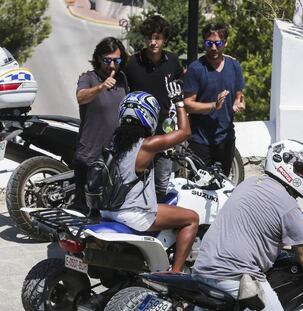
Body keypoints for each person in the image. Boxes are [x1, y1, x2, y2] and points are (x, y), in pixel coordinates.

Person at [192, 140, 303, 310]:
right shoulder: (288, 205)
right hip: (235, 276)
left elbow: (257, 228)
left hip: (202, 268)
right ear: (284, 166)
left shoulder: (249, 183)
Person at [100, 90, 199, 272]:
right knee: (192, 218)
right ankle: (176, 273)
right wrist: (179, 102)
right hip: (133, 214)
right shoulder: (147, 145)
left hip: (107, 211)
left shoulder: (113, 143)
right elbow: (185, 132)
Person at [124, 14, 183, 202]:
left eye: (157, 38)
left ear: (164, 39)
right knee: (135, 184)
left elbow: (180, 85)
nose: (153, 42)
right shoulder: (132, 63)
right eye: (149, 37)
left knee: (161, 185)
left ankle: (157, 225)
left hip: (164, 135)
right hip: (138, 137)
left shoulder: (173, 61)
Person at [74, 37, 128, 214]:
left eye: (116, 60)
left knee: (108, 210)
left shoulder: (122, 80)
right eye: (107, 60)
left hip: (114, 157)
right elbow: (81, 97)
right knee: (85, 209)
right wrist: (100, 87)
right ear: (98, 58)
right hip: (90, 155)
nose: (112, 65)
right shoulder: (88, 78)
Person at [183, 23, 245, 177]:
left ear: (226, 43)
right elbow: (188, 105)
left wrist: (239, 104)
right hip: (200, 141)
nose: (213, 48)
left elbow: (239, 96)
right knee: (198, 188)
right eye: (209, 43)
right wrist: (213, 105)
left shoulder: (234, 66)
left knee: (222, 185)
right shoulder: (196, 68)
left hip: (226, 138)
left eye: (218, 43)